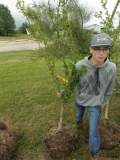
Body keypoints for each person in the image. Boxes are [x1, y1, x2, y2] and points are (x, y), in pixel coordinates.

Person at [57, 33, 117, 160]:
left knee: (93, 130)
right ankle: (78, 122)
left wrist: (103, 102)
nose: (101, 53)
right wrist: (64, 92)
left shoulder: (112, 68)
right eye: (97, 49)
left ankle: (95, 153)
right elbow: (72, 82)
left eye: (105, 49)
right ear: (91, 50)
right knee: (79, 113)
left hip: (96, 103)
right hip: (81, 98)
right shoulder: (80, 66)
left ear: (108, 50)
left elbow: (110, 90)